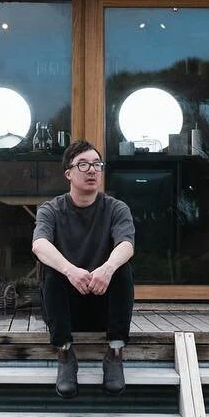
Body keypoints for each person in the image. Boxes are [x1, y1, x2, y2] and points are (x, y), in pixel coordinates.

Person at [31, 140, 136, 398]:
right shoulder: (51, 209)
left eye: (97, 165)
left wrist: (107, 268)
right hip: (64, 310)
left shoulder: (116, 208)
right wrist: (70, 270)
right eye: (83, 165)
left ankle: (114, 353)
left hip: (104, 308)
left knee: (122, 268)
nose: (92, 170)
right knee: (52, 269)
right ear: (68, 173)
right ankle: (65, 354)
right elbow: (39, 244)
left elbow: (126, 244)